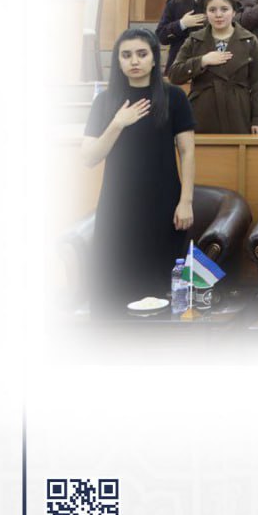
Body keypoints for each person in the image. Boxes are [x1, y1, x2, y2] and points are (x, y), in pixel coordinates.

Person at [82, 28, 195, 310]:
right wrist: (118, 123)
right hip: (117, 206)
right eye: (126, 55)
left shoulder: (174, 97)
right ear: (118, 61)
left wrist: (186, 201)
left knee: (159, 289)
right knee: (114, 288)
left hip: (163, 205)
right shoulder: (104, 101)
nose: (134, 61)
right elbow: (90, 157)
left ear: (154, 59)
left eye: (142, 54)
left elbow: (187, 152)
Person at [167, 0, 258, 134]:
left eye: (224, 9)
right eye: (212, 10)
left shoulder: (249, 40)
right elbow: (174, 74)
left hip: (238, 110)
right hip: (203, 111)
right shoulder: (195, 39)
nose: (218, 15)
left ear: (234, 12)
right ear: (206, 13)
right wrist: (202, 61)